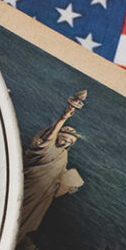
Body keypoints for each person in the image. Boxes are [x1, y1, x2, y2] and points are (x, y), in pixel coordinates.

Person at [19, 93, 86, 241]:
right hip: (28, 186)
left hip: (40, 196)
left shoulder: (63, 155)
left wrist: (68, 183)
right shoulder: (46, 147)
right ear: (58, 136)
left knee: (21, 223)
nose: (66, 144)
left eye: (70, 142)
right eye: (65, 139)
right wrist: (64, 117)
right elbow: (50, 135)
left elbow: (59, 172)